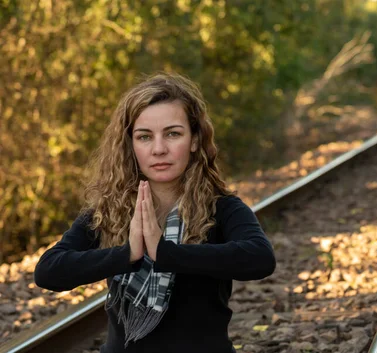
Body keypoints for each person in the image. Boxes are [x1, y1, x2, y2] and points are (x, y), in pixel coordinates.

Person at [34, 73, 277, 353]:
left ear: (195, 140)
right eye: (145, 137)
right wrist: (127, 254)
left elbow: (260, 258)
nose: (159, 149)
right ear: (130, 144)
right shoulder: (109, 210)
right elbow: (48, 271)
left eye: (173, 134)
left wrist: (166, 254)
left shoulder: (220, 207)